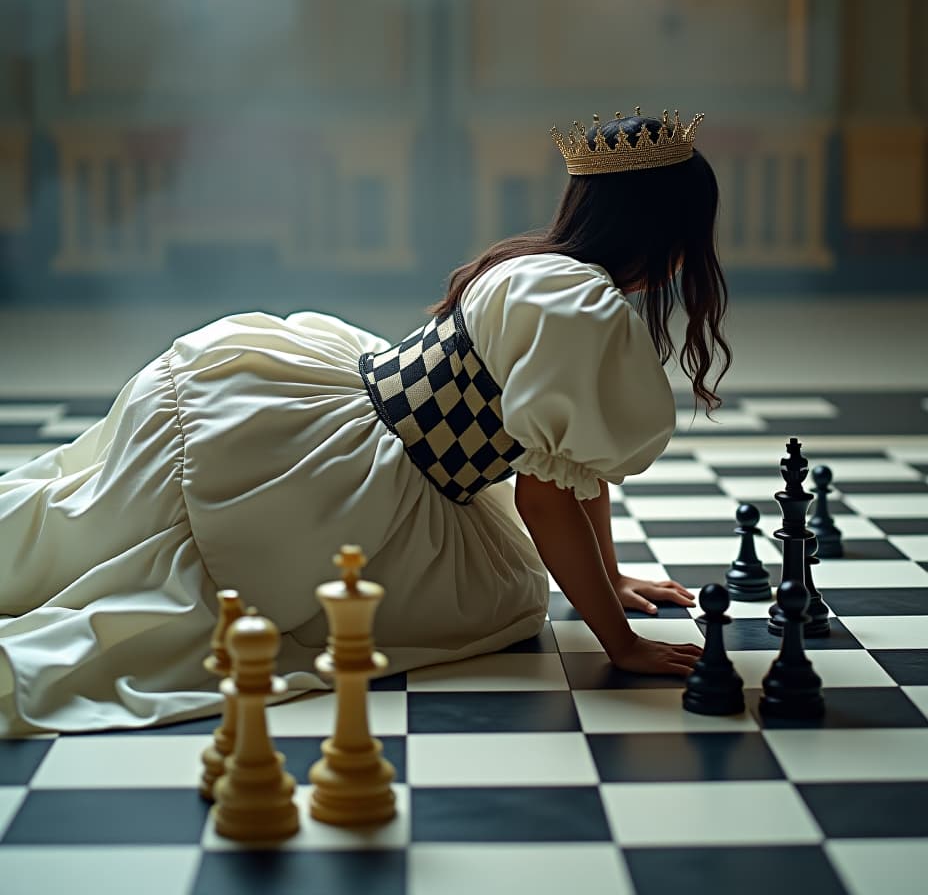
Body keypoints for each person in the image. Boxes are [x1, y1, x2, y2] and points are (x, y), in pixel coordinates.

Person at [0, 108, 730, 734]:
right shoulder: (582, 311)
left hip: (340, 417)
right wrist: (619, 641)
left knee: (98, 524)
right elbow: (545, 496)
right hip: (352, 475)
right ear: (662, 233)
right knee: (157, 580)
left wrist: (612, 575)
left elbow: (570, 465)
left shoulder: (542, 268)